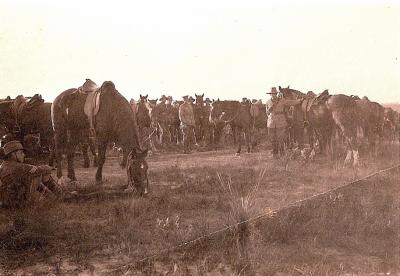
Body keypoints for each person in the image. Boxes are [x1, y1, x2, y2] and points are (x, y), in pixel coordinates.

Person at [0, 140, 63, 210]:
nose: (24, 155)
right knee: (38, 175)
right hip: (18, 204)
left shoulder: (3, 165)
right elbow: (44, 169)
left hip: (5, 203)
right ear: (13, 154)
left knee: (33, 175)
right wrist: (47, 167)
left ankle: (55, 196)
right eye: (21, 153)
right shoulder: (18, 167)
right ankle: (59, 194)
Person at [266, 87, 302, 158]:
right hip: (271, 122)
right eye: (272, 94)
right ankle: (275, 153)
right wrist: (271, 115)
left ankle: (282, 152)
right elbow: (267, 112)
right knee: (273, 139)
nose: (273, 95)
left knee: (280, 138)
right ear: (270, 95)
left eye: (274, 94)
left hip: (281, 122)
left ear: (276, 94)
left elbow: (290, 102)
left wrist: (299, 101)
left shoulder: (282, 100)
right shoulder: (268, 102)